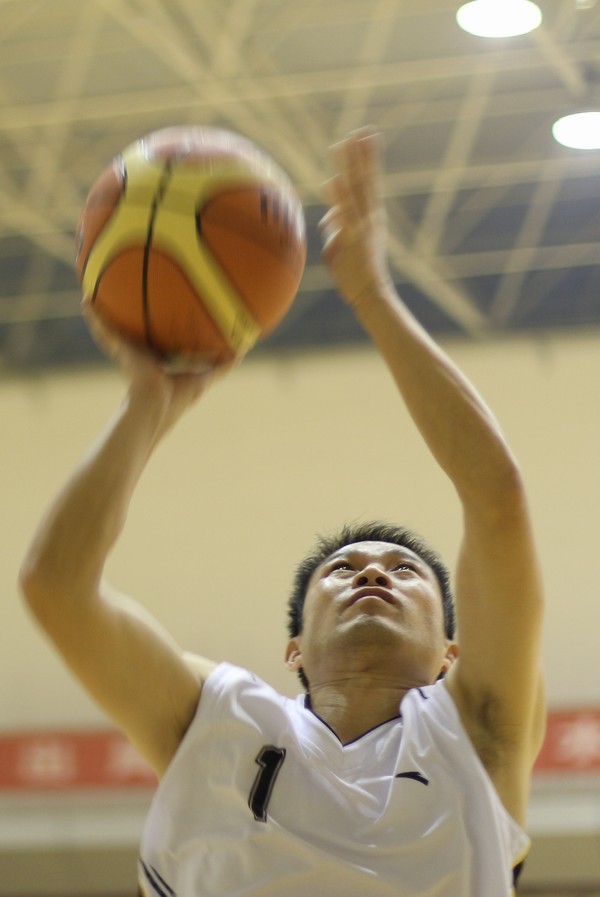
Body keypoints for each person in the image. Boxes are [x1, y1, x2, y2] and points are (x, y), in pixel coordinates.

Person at [19, 129, 545, 897]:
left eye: (406, 570)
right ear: (293, 647)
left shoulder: (480, 730)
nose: (372, 572)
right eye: (342, 568)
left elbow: (497, 500)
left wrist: (375, 297)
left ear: (451, 653)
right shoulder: (219, 720)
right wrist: (147, 404)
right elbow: (56, 587)